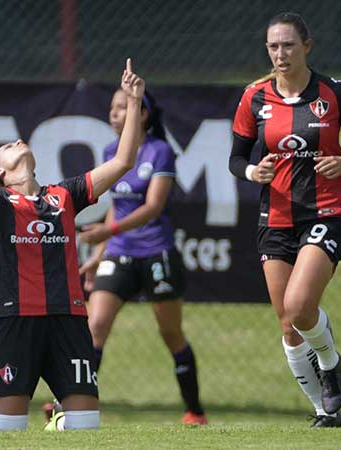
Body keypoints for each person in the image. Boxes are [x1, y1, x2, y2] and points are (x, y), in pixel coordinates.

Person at [0, 58, 145, 432]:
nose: (17, 142)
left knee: (85, 426)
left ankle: (58, 419)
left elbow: (123, 160)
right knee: (9, 430)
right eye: (7, 146)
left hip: (67, 318)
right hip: (17, 318)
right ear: (1, 173)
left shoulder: (64, 195)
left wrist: (134, 101)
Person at [229, 12, 341, 427]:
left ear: (307, 46)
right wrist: (250, 172)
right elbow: (236, 157)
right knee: (288, 324)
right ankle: (322, 413)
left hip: (325, 213)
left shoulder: (333, 92)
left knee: (299, 306)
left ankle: (330, 363)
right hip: (273, 217)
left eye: (289, 45)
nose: (281, 53)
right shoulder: (254, 97)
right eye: (274, 46)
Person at [77, 90, 207, 425]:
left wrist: (106, 233)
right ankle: (78, 405)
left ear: (142, 114)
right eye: (112, 108)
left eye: (123, 107)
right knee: (94, 327)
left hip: (156, 253)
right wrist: (97, 254)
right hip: (119, 254)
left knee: (171, 334)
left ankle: (194, 411)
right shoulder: (111, 152)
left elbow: (153, 208)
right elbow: (116, 210)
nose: (114, 113)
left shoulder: (160, 151)